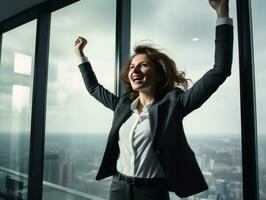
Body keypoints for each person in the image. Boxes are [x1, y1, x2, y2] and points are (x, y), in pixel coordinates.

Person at [74, 0, 233, 199]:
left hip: (151, 192)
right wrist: (80, 55)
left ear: (159, 74)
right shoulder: (123, 106)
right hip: (118, 187)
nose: (135, 70)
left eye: (143, 65)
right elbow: (94, 88)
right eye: (132, 66)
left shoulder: (174, 104)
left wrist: (222, 13)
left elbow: (220, 71)